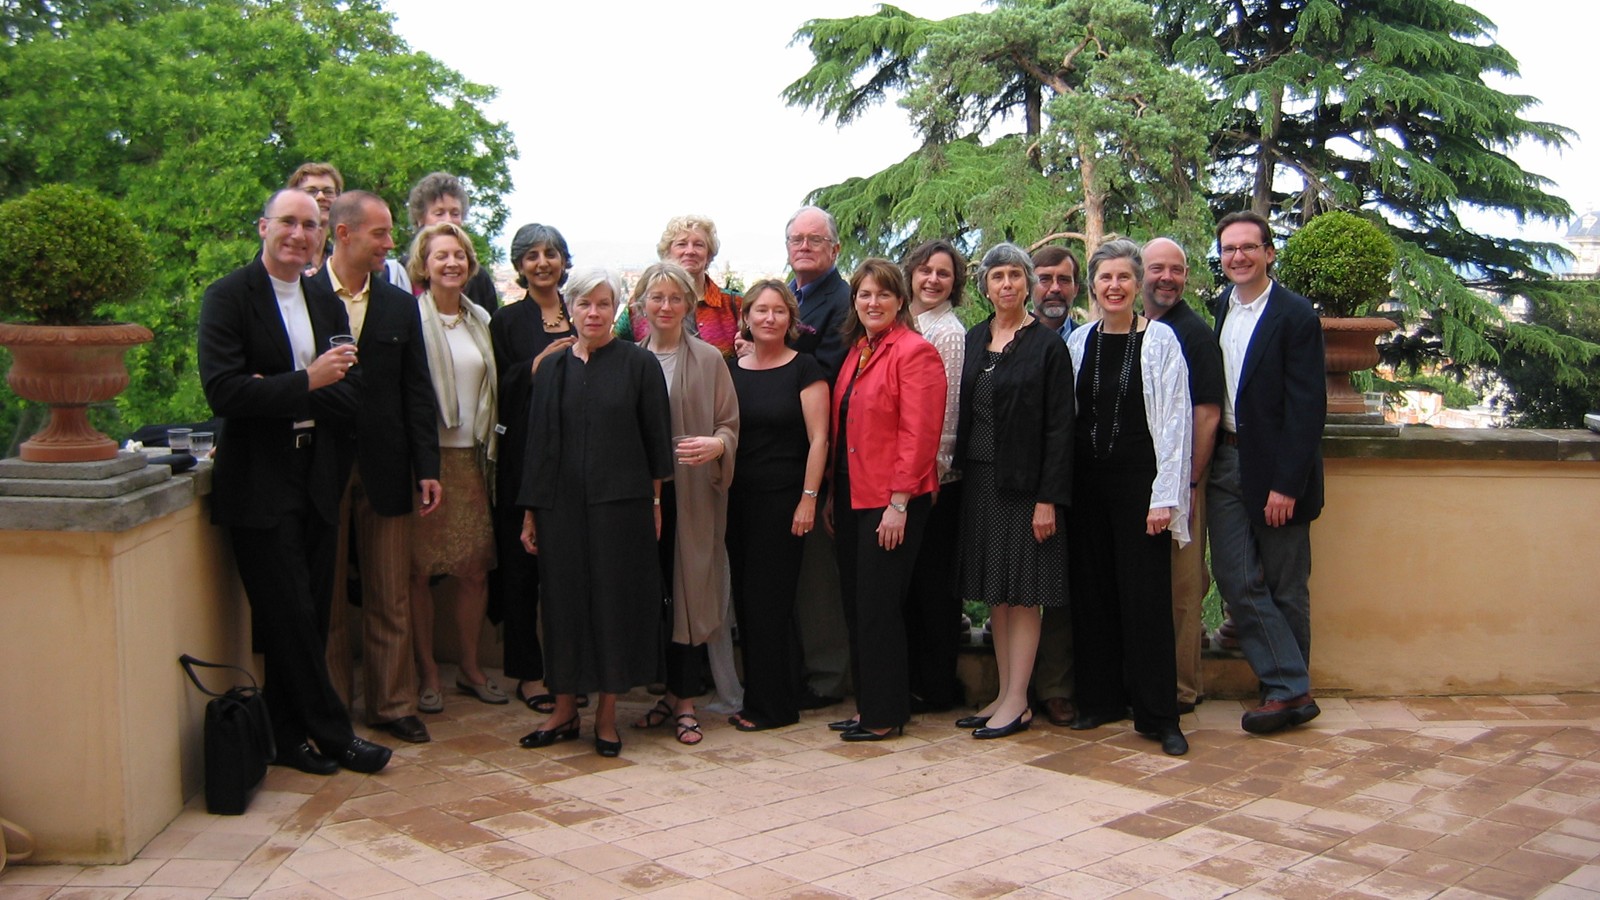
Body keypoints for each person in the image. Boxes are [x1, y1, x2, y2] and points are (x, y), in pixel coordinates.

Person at [197, 188, 391, 775]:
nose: (299, 235)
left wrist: (280, 386)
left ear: (323, 235)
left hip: (317, 475)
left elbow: (353, 392)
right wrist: (306, 382)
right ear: (264, 227)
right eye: (288, 222)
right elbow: (225, 392)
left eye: (311, 225)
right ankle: (333, 734)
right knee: (288, 614)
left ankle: (286, 739)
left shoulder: (323, 301)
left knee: (305, 612)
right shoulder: (228, 297)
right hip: (258, 482)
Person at [518, 268, 673, 758]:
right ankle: (565, 711)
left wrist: (653, 504)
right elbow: (538, 446)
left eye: (603, 304)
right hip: (559, 509)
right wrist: (530, 514)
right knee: (562, 607)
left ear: (616, 309)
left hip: (620, 508)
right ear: (570, 308)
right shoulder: (553, 369)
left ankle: (606, 716)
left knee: (612, 606)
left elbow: (655, 444)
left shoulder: (638, 365)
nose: (593, 312)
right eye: (584, 304)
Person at [314, 190, 442, 745]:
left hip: (388, 469)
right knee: (328, 596)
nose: (390, 244)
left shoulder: (398, 304)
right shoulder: (304, 295)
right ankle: (331, 705)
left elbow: (418, 389)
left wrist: (427, 465)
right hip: (321, 466)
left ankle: (392, 705)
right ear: (344, 234)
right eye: (380, 234)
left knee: (390, 591)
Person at [1065, 239, 1192, 757]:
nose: (1113, 286)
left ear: (1137, 285)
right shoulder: (1078, 343)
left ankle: (1159, 715)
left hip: (1141, 489)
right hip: (1087, 486)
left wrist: (1165, 496)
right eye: (1104, 278)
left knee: (1145, 601)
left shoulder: (1161, 341)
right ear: (1092, 287)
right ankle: (1099, 701)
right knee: (1091, 595)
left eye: (1123, 277)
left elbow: (1176, 422)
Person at [1209, 211, 1327, 735]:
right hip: (1225, 460)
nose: (1238, 256)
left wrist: (1286, 484)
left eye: (1248, 247)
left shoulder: (1295, 314)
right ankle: (1290, 685)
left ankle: (1284, 692)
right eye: (1229, 249)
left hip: (1276, 469)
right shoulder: (1220, 310)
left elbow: (1307, 409)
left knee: (1285, 585)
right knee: (1236, 577)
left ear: (1268, 253)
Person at [954, 243, 1074, 739]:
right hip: (981, 481)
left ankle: (1020, 699)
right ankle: (1006, 695)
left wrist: (1048, 499)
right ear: (985, 285)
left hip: (1026, 490)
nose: (1006, 284)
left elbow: (1059, 430)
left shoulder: (1047, 345)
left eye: (1015, 275)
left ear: (1029, 283)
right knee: (998, 597)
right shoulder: (977, 337)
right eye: (997, 276)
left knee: (1024, 596)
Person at [826, 258, 946, 741]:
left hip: (893, 501)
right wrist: (836, 494)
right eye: (864, 295)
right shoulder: (858, 350)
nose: (872, 303)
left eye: (883, 295)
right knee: (858, 606)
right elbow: (846, 428)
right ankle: (871, 705)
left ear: (900, 301)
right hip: (855, 495)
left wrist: (898, 502)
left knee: (879, 608)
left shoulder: (914, 352)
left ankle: (884, 716)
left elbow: (920, 435)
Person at [630, 262, 739, 746]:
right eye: (657, 298)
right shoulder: (628, 360)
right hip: (639, 496)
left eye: (676, 298)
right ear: (641, 305)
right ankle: (667, 695)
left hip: (692, 493)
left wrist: (718, 446)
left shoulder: (710, 359)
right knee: (652, 592)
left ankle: (688, 700)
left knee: (690, 589)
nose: (666, 307)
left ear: (689, 306)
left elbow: (729, 425)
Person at [725, 280, 829, 731]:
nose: (769, 318)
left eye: (779, 311)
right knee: (748, 604)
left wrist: (808, 499)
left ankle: (772, 708)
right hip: (736, 501)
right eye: (761, 311)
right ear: (746, 316)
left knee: (769, 601)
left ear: (791, 320)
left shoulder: (806, 368)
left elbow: (819, 439)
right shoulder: (731, 369)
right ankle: (771, 695)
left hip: (784, 501)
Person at [406, 222, 501, 713]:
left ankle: (469, 667)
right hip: (426, 459)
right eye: (441, 255)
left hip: (474, 457)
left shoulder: (481, 318)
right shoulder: (407, 318)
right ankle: (427, 673)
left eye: (459, 255)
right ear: (424, 264)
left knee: (474, 571)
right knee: (418, 573)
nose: (451, 263)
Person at [489, 224, 575, 715]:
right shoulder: (507, 321)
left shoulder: (582, 308)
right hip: (523, 454)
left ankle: (570, 669)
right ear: (520, 266)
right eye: (533, 256)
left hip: (577, 454)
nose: (543, 262)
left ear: (565, 260)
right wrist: (537, 364)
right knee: (522, 569)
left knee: (568, 571)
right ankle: (528, 672)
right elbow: (498, 385)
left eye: (552, 254)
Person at [1140, 238, 1225, 715]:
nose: (1166, 277)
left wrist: (1189, 484)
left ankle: (1182, 689)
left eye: (1176, 269)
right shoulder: (1142, 330)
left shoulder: (1193, 334)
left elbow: (1207, 414)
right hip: (1150, 480)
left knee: (1183, 587)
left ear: (1186, 277)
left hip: (1184, 482)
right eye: (1157, 268)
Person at [785, 206, 853, 710]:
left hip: (819, 452)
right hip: (777, 456)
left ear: (834, 249)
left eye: (815, 239)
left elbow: (827, 372)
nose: (804, 246)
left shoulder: (841, 300)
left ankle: (827, 678)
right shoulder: (790, 293)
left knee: (818, 579)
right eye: (796, 238)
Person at [901, 239, 968, 714]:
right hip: (909, 473)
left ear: (955, 284)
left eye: (943, 273)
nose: (932, 280)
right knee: (912, 585)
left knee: (934, 588)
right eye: (925, 270)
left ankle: (938, 686)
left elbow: (946, 412)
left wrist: (937, 473)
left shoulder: (946, 332)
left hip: (935, 479)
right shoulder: (908, 323)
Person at [1029, 244, 1083, 727]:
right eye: (1044, 278)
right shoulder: (1008, 339)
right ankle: (1016, 680)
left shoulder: (1084, 340)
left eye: (1063, 280)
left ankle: (1057, 684)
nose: (1053, 289)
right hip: (1021, 480)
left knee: (1066, 584)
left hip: (1077, 479)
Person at [617, 215, 742, 357]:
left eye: (698, 245)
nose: (690, 251)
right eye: (681, 244)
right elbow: (611, 345)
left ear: (709, 254)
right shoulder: (642, 303)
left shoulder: (733, 304)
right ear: (668, 252)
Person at [404, 172, 499, 311]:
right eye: (439, 213)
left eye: (455, 214)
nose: (448, 220)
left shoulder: (478, 278)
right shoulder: (399, 274)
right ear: (420, 219)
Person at [285, 162, 341, 274]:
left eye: (328, 192)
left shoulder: (340, 260)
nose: (321, 197)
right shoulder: (282, 253)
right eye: (311, 191)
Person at [1031, 245, 1081, 340]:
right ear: (1029, 287)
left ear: (1075, 289)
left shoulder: (1087, 342)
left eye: (1064, 280)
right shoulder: (1011, 340)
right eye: (1045, 279)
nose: (1055, 288)